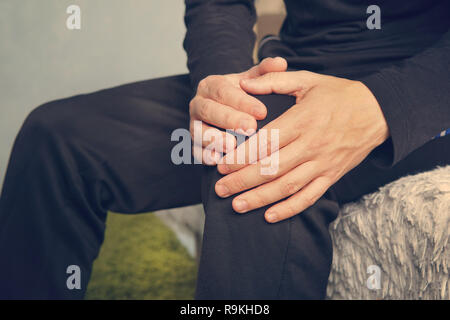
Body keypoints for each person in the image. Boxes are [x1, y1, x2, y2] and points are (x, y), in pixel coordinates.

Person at [0, 0, 449, 299]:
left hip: (421, 93)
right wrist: (223, 88)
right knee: (56, 139)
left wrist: (383, 104)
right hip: (290, 71)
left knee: (254, 168)